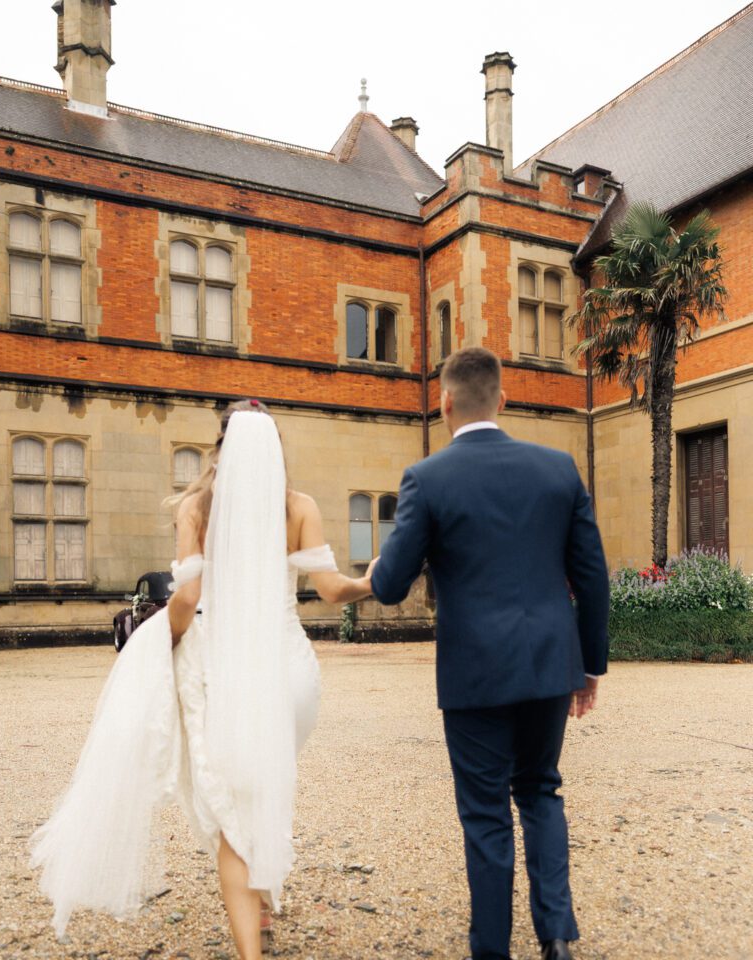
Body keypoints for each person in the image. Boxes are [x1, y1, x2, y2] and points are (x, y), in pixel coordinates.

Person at [31, 400, 373, 960]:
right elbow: (334, 590)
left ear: (223, 448)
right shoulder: (299, 507)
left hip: (224, 671)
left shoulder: (196, 508)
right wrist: (376, 578)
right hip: (291, 675)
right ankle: (260, 902)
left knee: (231, 806)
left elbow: (186, 599)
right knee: (263, 790)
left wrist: (158, 642)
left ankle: (251, 949)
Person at [370, 347, 609, 960]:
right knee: (540, 790)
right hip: (551, 665)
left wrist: (382, 565)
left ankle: (492, 951)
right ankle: (556, 937)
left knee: (484, 815)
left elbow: (392, 585)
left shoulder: (428, 478)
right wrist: (589, 666)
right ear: (503, 400)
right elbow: (593, 575)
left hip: (474, 671)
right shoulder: (559, 468)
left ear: (444, 402)